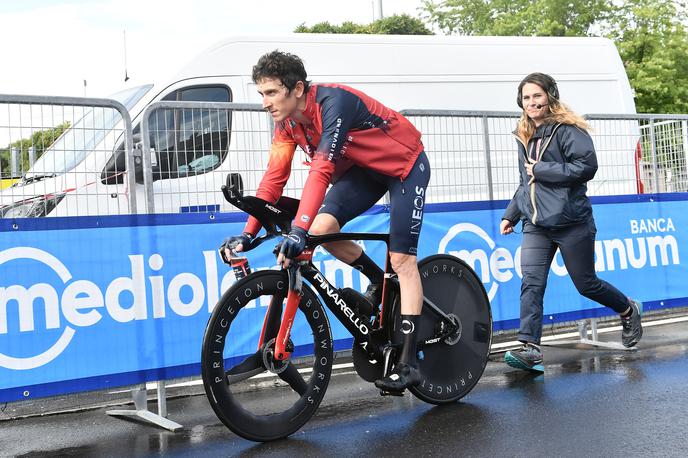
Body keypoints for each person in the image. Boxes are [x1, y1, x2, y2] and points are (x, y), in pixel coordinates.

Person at [222, 50, 430, 392]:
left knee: (403, 259)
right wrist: (247, 233)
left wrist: (298, 231)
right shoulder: (286, 123)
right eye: (261, 94)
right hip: (365, 172)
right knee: (321, 229)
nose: (264, 103)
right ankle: (379, 281)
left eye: (271, 93)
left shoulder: (334, 104)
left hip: (404, 167)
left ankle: (408, 363)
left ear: (298, 89)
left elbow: (322, 170)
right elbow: (274, 178)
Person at [500, 72, 643, 372]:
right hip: (537, 224)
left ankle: (629, 310)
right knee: (532, 283)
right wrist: (511, 214)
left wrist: (543, 170)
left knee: (586, 284)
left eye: (537, 95)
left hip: (572, 222)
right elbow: (526, 180)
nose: (531, 102)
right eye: (526, 97)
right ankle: (531, 349)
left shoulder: (568, 129)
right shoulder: (523, 133)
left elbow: (586, 167)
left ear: (550, 96)